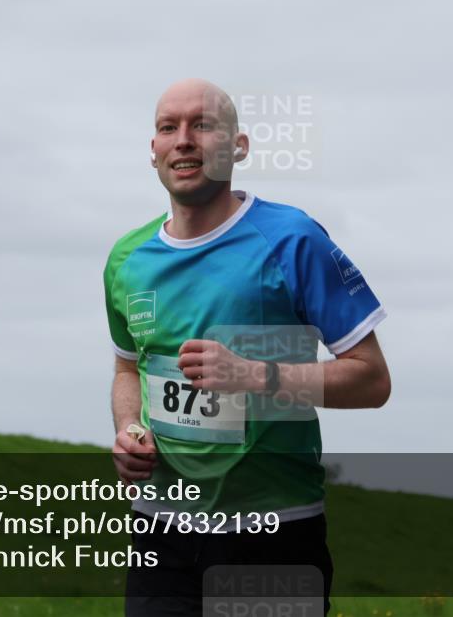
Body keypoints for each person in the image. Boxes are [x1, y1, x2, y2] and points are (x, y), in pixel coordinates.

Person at [104, 79, 391, 616]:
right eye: (169, 128)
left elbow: (372, 378)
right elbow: (127, 371)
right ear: (154, 151)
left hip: (273, 532)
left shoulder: (292, 239)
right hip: (161, 532)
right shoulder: (128, 258)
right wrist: (128, 429)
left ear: (238, 146)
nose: (183, 140)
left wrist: (257, 375)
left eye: (202, 125)